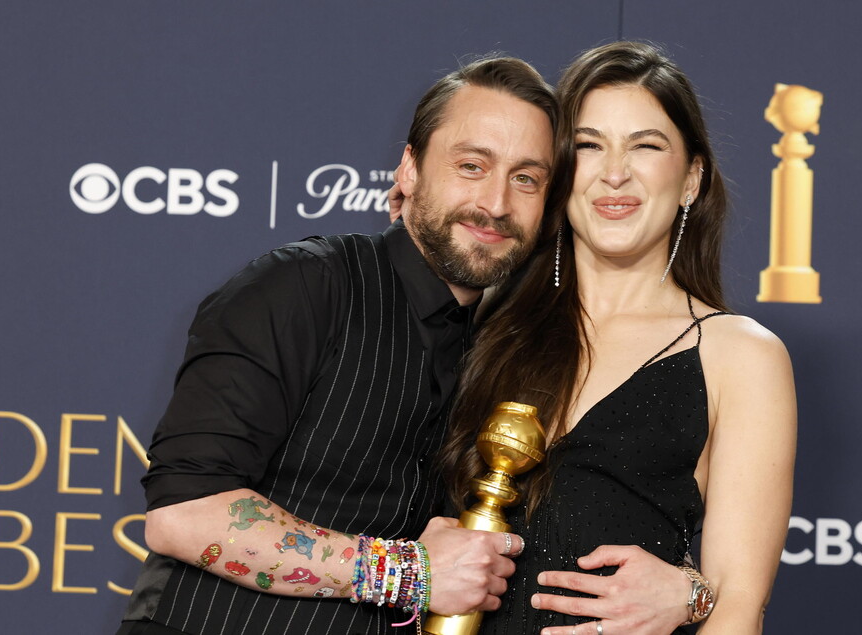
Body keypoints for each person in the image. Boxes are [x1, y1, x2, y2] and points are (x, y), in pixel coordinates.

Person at [115, 55, 568, 635]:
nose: (498, 202)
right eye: (471, 165)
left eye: (526, 178)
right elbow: (184, 515)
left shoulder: (501, 351)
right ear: (409, 169)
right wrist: (409, 571)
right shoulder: (303, 286)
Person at [438, 41, 797, 635]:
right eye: (588, 145)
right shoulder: (484, 319)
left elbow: (738, 606)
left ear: (691, 179)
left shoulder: (739, 354)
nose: (614, 172)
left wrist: (693, 595)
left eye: (646, 146)